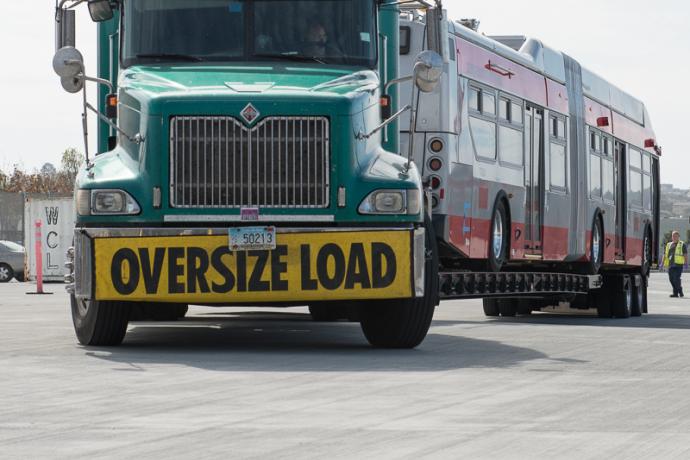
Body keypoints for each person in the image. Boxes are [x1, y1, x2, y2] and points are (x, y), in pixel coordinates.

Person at [663, 231, 689, 297]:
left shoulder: (682, 244)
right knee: (671, 279)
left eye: (675, 236)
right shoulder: (669, 244)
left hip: (678, 265)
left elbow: (685, 254)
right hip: (670, 264)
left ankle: (675, 293)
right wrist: (662, 263)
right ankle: (679, 290)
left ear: (678, 237)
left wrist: (686, 264)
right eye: (673, 236)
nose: (674, 237)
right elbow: (665, 254)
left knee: (676, 279)